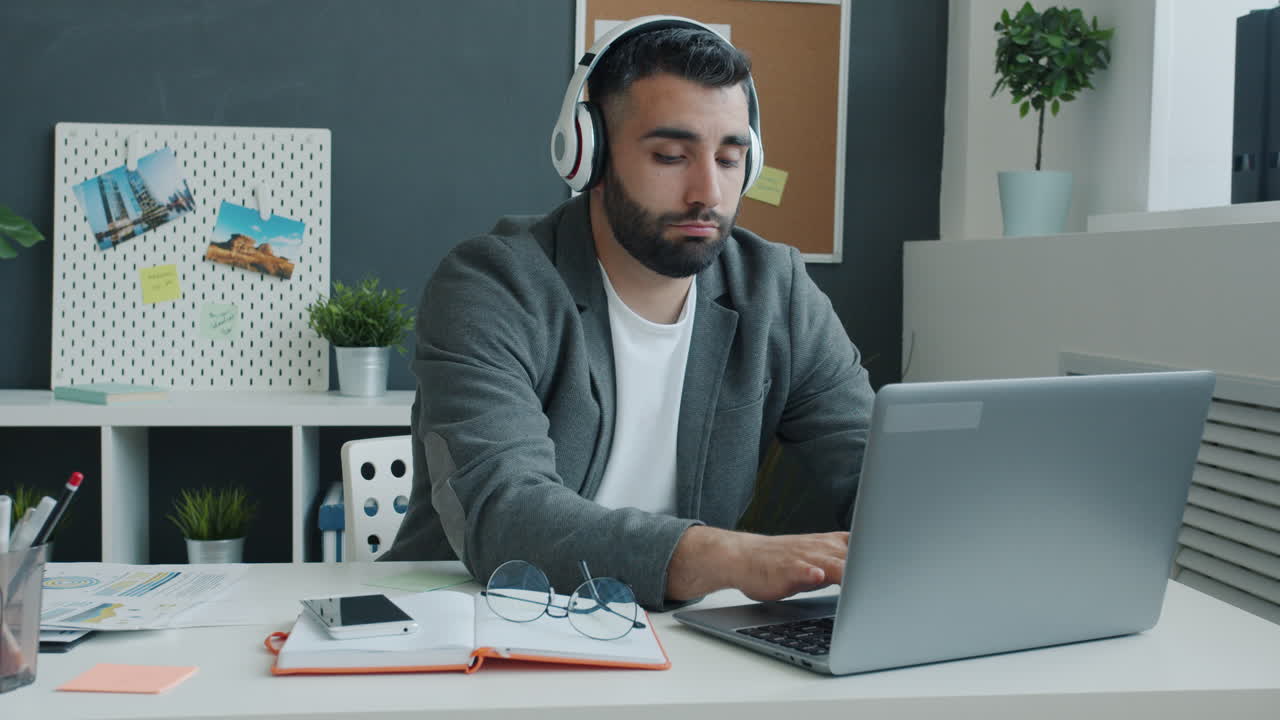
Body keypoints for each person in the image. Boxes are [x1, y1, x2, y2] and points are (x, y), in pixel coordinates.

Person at [381, 17, 874, 610]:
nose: (708, 193)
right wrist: (732, 558)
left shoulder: (776, 290)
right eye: (670, 155)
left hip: (670, 636)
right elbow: (504, 515)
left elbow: (873, 462)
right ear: (586, 155)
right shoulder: (493, 286)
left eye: (728, 158)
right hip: (477, 620)